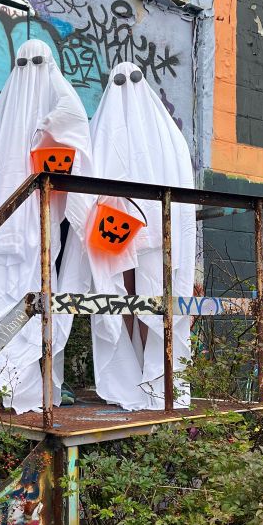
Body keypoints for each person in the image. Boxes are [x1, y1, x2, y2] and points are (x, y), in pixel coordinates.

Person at [0, 39, 93, 413]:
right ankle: (13, 387)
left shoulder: (43, 100)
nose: (31, 72)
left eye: (37, 62)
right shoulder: (5, 113)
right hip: (4, 224)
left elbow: (73, 119)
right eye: (24, 63)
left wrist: (48, 125)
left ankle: (30, 388)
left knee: (35, 292)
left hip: (42, 219)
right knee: (9, 294)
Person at [81, 62, 196, 410]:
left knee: (150, 302)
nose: (126, 91)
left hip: (154, 238)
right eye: (120, 83)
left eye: (132, 81)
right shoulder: (155, 135)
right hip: (118, 235)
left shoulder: (166, 138)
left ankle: (157, 381)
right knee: (124, 300)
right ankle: (132, 379)